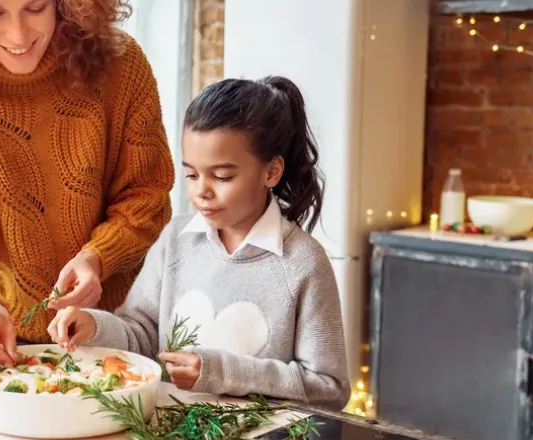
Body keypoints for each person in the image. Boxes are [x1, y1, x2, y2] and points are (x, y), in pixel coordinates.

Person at [48, 76, 351, 410]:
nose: (201, 191)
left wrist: (219, 372)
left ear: (271, 172)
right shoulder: (176, 240)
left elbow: (329, 388)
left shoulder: (304, 263)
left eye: (222, 177)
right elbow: (143, 335)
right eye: (192, 175)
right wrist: (93, 326)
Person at [0, 0, 175, 366]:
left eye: (35, 7)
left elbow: (147, 194)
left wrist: (98, 257)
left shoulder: (121, 67)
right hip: (9, 343)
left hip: (121, 330)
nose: (18, 34)